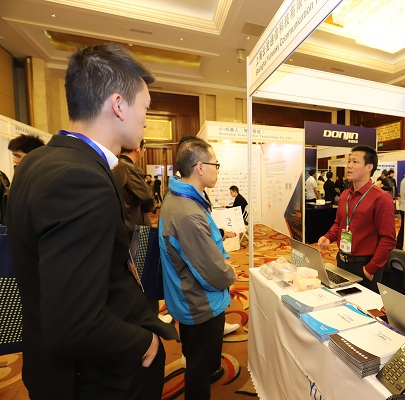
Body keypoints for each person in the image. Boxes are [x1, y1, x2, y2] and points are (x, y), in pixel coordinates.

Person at [5, 43, 178, 399]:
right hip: (95, 378)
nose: (146, 119)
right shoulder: (80, 178)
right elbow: (73, 322)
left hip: (52, 363)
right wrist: (143, 344)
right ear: (119, 105)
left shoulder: (39, 161)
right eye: (145, 107)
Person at [158, 139, 236, 400]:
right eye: (215, 164)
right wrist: (229, 272)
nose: (218, 170)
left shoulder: (181, 197)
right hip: (199, 303)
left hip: (188, 296)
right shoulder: (187, 212)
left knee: (198, 356)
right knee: (199, 368)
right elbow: (211, 272)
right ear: (200, 167)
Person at [317, 145, 396, 292]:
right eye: (349, 161)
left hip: (365, 266)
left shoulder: (381, 198)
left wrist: (370, 269)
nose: (349, 166)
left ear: (369, 167)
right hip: (342, 261)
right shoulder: (345, 195)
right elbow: (339, 223)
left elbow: (388, 239)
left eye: (355, 162)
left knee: (363, 305)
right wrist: (329, 237)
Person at [112, 139, 155, 240]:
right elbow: (147, 198)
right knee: (140, 250)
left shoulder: (114, 166)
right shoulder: (130, 168)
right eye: (144, 149)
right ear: (138, 149)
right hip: (135, 227)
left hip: (120, 225)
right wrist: (152, 207)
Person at [396, 173, 405, 249]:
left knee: (402, 228)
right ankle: (399, 246)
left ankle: (398, 246)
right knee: (403, 229)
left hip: (403, 207)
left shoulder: (404, 180)